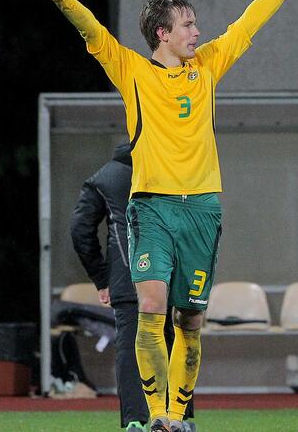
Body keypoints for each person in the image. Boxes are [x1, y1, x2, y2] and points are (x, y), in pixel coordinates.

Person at [30, 0, 298, 430]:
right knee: (150, 306)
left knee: (189, 320)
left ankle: (177, 413)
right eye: (188, 24)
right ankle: (157, 417)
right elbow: (91, 28)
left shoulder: (207, 65)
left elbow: (249, 22)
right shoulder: (131, 70)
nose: (197, 31)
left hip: (203, 209)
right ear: (163, 33)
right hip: (151, 206)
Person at [70, 143, 195, 431]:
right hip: (172, 271)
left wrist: (102, 278)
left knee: (130, 342)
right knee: (175, 337)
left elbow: (80, 230)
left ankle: (136, 421)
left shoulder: (103, 178)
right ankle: (180, 417)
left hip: (127, 275)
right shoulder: (172, 170)